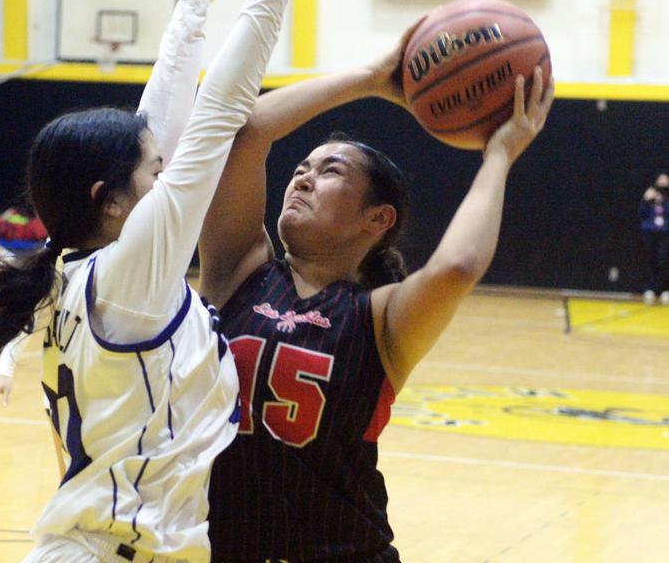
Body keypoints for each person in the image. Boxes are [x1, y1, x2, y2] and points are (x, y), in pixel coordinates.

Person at [0, 0, 287, 561]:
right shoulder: (130, 276)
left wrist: (193, 9)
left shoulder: (68, 268)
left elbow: (161, 130)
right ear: (109, 202)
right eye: (156, 172)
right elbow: (218, 110)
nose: (167, 175)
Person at [198, 32, 556, 560]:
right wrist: (368, 79)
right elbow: (249, 131)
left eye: (330, 171)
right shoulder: (237, 271)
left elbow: (456, 267)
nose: (302, 179)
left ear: (377, 220)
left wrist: (499, 156)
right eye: (301, 169)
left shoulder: (379, 319)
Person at [640, 173, 669, 305]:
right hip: (650, 232)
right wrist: (646, 199)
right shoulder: (650, 196)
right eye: (660, 182)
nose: (662, 184)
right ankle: (650, 289)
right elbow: (642, 214)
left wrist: (664, 200)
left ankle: (664, 290)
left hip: (665, 233)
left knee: (664, 262)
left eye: (665, 182)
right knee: (650, 260)